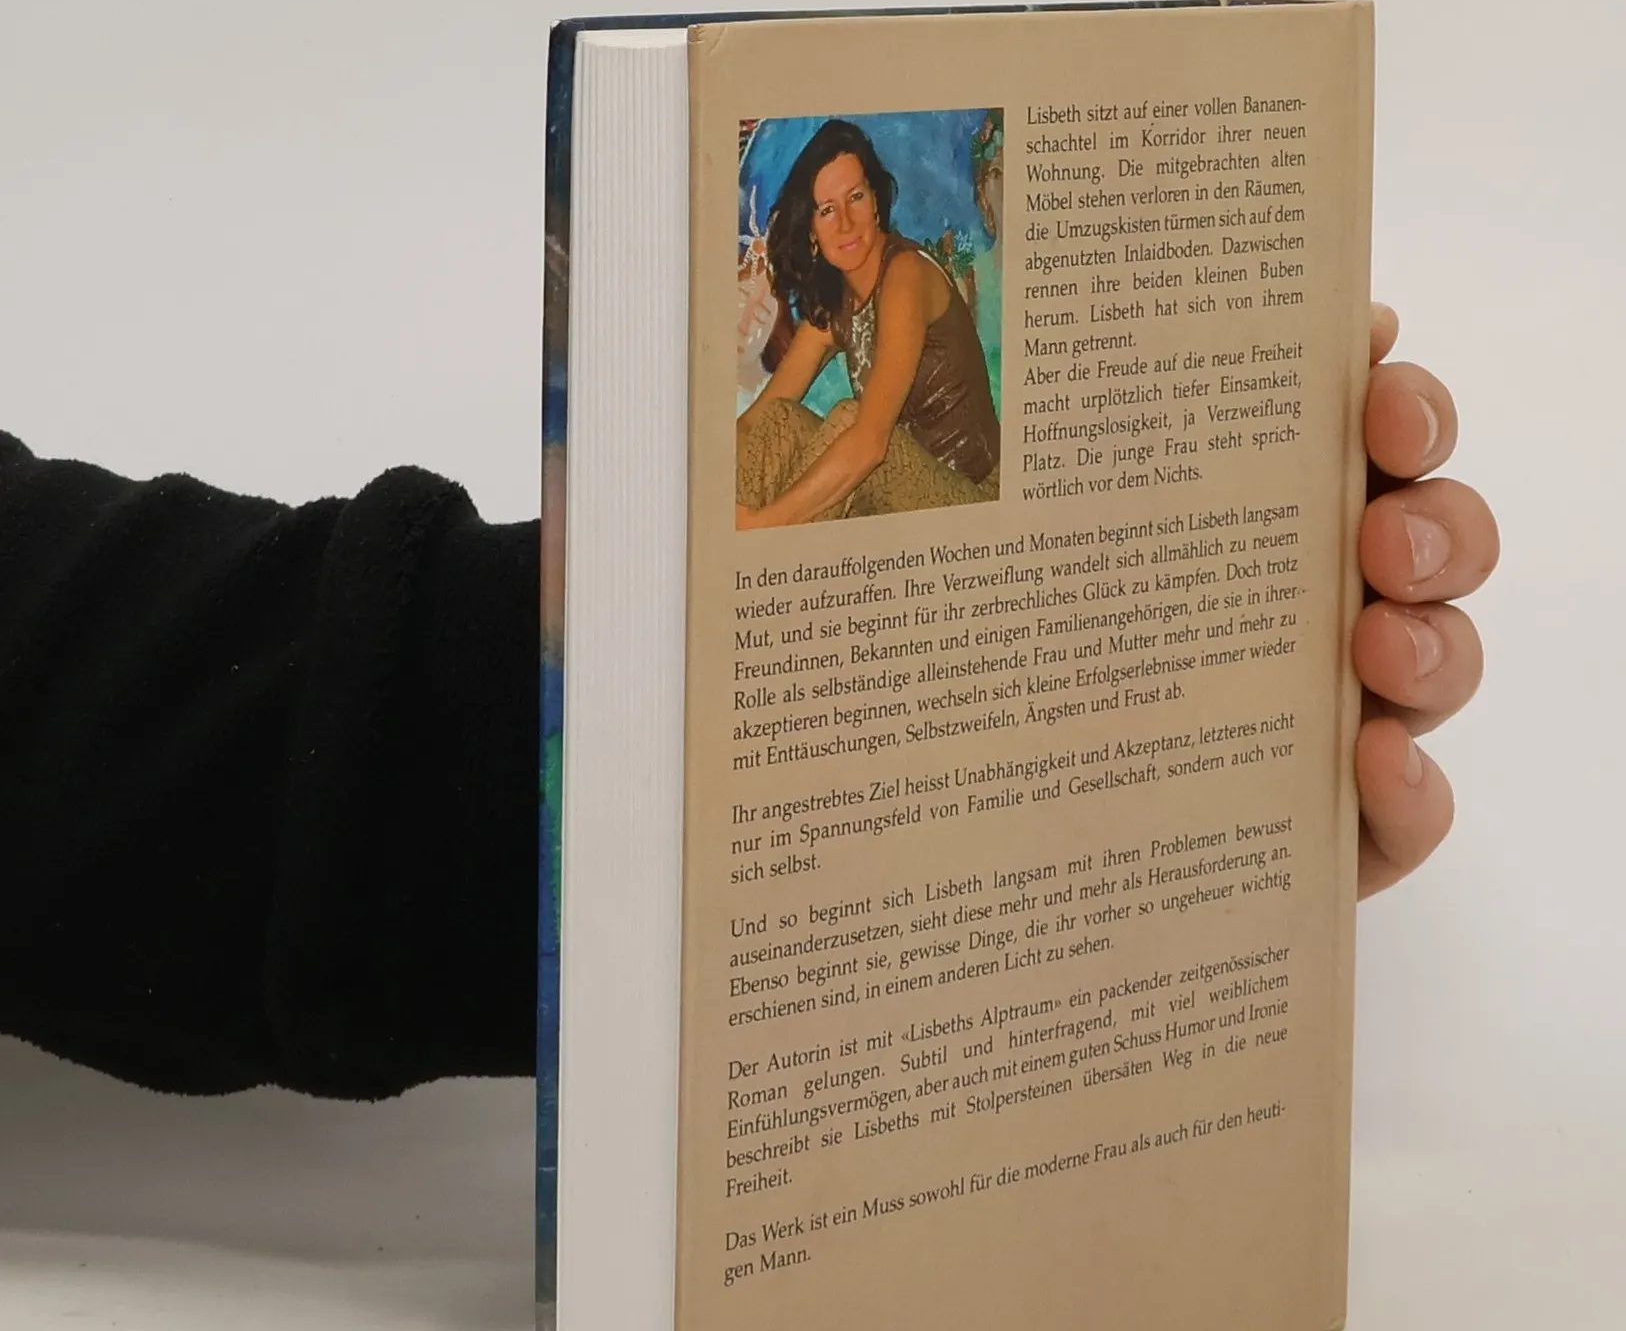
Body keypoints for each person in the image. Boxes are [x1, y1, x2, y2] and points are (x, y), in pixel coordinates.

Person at [0, 302, 1494, 1102]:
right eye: (818, 213)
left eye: (852, 207)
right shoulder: (832, 312)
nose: (835, 229)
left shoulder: (904, 292)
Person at [736, 118, 1001, 527]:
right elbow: (758, 419)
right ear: (812, 231)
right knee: (779, 422)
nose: (845, 223)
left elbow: (871, 443)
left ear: (876, 201)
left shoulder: (905, 276)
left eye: (855, 197)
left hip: (970, 500)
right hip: (891, 497)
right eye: (827, 210)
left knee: (850, 421)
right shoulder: (838, 302)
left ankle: (763, 544)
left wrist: (761, 524)